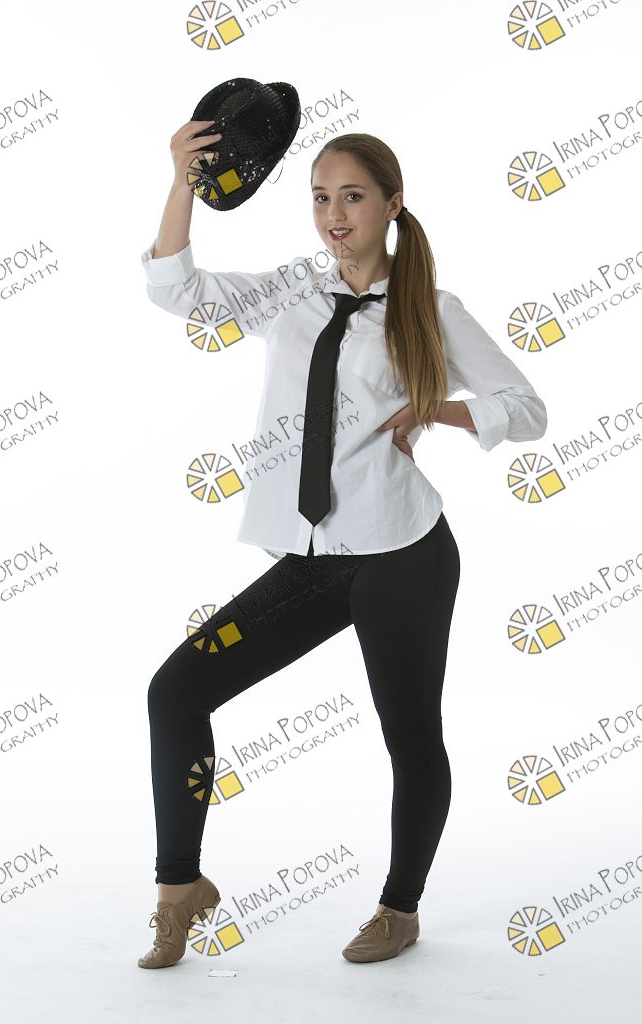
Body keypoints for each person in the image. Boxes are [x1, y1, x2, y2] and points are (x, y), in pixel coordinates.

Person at [137, 119, 548, 969]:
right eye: (321, 197)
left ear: (392, 205)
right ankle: (180, 887)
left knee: (410, 738)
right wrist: (183, 181)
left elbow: (526, 409)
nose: (334, 215)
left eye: (353, 197)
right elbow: (178, 290)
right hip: (315, 561)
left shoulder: (430, 310)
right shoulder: (293, 292)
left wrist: (437, 408)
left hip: (404, 555)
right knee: (176, 693)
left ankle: (400, 908)